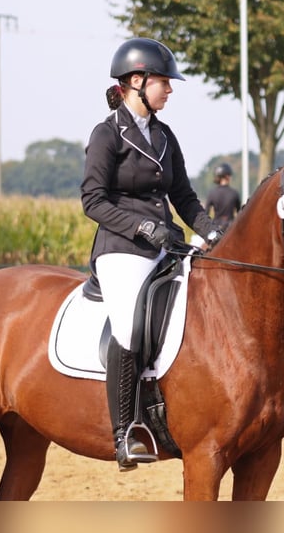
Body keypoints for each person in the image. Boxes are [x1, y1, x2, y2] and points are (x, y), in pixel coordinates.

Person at [81, 37, 222, 472]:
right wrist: (143, 226)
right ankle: (125, 433)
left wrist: (213, 231)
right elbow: (93, 200)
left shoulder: (164, 135)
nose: (170, 89)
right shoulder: (107, 134)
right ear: (136, 81)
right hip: (122, 249)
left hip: (165, 246)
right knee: (130, 326)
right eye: (164, 81)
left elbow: (183, 195)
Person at [204, 163, 241, 230]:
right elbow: (240, 214)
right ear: (227, 176)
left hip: (216, 228)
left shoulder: (212, 193)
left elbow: (206, 213)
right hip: (231, 229)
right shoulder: (234, 193)